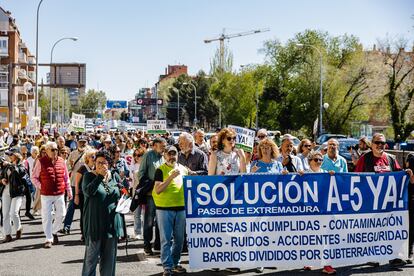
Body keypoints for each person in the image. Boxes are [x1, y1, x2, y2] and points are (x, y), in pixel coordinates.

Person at [354, 133, 413, 268]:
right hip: (371, 202)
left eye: (382, 143)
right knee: (372, 229)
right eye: (377, 142)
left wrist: (407, 172)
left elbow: (400, 175)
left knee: (391, 229)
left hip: (390, 203)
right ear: (372, 144)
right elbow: (356, 177)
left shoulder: (391, 159)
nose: (380, 145)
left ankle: (394, 256)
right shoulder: (365, 158)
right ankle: (371, 257)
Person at [208, 128, 246, 273]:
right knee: (219, 230)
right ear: (222, 140)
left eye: (234, 139)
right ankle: (216, 260)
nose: (232, 142)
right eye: (229, 139)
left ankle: (231, 261)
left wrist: (242, 158)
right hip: (220, 197)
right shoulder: (215, 155)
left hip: (235, 197)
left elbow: (244, 175)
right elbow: (210, 177)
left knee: (233, 230)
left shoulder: (238, 155)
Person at [81, 150, 124, 276]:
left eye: (104, 163)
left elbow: (120, 194)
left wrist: (125, 197)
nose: (100, 165)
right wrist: (99, 176)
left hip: (112, 224)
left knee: (109, 262)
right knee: (90, 261)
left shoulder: (114, 176)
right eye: (98, 162)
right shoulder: (89, 176)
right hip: (95, 223)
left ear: (109, 164)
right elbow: (88, 192)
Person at [153, 146, 188, 276]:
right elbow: (158, 189)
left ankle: (175, 263)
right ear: (164, 156)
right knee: (166, 239)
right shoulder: (160, 170)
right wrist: (170, 178)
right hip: (164, 209)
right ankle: (167, 266)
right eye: (169, 154)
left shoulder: (184, 169)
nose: (172, 156)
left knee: (179, 239)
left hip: (181, 208)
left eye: (174, 154)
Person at [31, 142, 72, 248]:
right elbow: (33, 177)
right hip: (46, 194)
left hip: (60, 193)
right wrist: (41, 186)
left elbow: (66, 177)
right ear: (47, 151)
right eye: (52, 150)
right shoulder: (41, 162)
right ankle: (48, 238)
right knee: (47, 217)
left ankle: (53, 231)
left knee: (62, 214)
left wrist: (69, 190)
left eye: (56, 149)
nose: (55, 152)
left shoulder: (62, 161)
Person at [138, 137, 166, 255]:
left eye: (164, 145)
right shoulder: (148, 156)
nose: (164, 147)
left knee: (161, 221)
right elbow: (141, 173)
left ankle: (158, 244)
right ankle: (147, 244)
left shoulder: (165, 156)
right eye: (162, 145)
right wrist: (150, 183)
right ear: (154, 146)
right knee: (149, 221)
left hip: (164, 194)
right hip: (151, 194)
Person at [0, 151, 27, 243]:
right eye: (8, 155)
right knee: (5, 214)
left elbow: (18, 173)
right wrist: (2, 180)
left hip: (17, 192)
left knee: (14, 213)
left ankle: (19, 228)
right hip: (6, 191)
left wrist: (10, 165)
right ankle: (8, 235)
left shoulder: (21, 166)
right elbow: (2, 176)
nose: (8, 156)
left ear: (16, 155)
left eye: (10, 154)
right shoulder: (7, 166)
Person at [73, 149, 96, 242]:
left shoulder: (96, 168)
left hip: (93, 195)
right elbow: (77, 183)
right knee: (84, 214)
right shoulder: (82, 168)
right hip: (83, 195)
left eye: (95, 156)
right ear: (87, 158)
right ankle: (84, 233)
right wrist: (76, 195)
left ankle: (91, 232)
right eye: (92, 156)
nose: (94, 159)